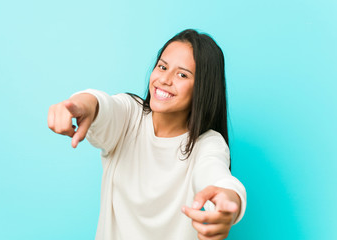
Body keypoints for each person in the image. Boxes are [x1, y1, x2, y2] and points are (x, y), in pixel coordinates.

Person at [48, 29, 246, 240]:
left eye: (182, 74)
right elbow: (102, 105)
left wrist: (228, 204)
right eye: (162, 66)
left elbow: (217, 178)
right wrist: (80, 104)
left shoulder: (208, 144)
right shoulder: (129, 116)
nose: (165, 79)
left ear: (202, 88)